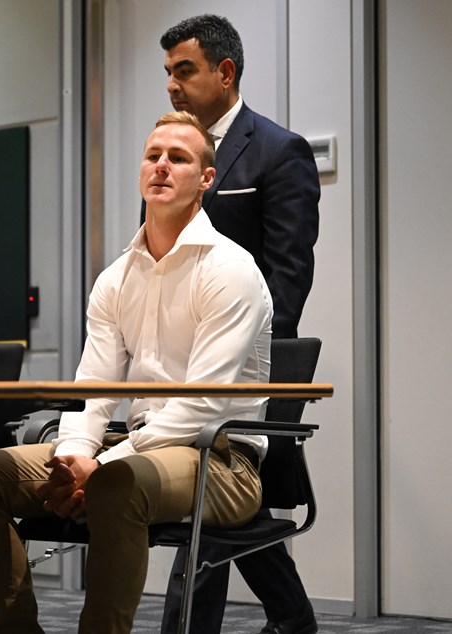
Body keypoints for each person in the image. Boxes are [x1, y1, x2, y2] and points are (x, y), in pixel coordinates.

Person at [0, 111, 273, 634]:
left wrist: (105, 463)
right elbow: (93, 390)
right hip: (134, 448)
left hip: (224, 461)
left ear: (206, 179)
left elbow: (201, 405)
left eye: (178, 158)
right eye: (153, 155)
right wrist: (72, 461)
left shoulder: (230, 270)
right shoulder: (116, 278)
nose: (161, 166)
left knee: (117, 481)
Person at [154, 14, 321, 634]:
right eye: (168, 72)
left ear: (225, 72)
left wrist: (241, 365)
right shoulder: (175, 152)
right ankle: (295, 620)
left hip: (251, 363)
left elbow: (288, 275)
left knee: (207, 497)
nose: (172, 84)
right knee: (228, 508)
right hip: (176, 361)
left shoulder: (280, 151)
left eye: (184, 70)